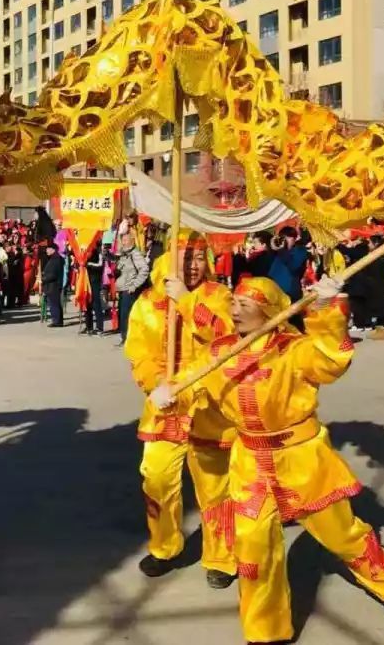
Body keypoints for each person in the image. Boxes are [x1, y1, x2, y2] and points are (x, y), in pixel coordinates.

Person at [165, 276, 384, 644]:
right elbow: (192, 383)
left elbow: (332, 361)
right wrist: (172, 395)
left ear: (269, 311)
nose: (234, 311)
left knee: (341, 535)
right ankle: (266, 632)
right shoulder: (220, 352)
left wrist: (327, 309)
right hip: (249, 460)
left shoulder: (293, 349)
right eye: (233, 303)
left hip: (302, 458)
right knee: (253, 547)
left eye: (245, 306)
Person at [124, 230, 236, 588]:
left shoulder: (219, 296)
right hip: (165, 407)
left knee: (216, 487)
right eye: (185, 257)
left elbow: (227, 337)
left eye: (199, 257)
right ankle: (164, 547)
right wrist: (156, 385)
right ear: (168, 257)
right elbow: (138, 351)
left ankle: (221, 556)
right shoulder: (146, 302)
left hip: (210, 407)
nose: (192, 265)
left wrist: (188, 302)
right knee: (156, 478)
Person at [114, 233, 150, 345]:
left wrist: (134, 285)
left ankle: (128, 339)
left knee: (127, 315)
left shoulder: (135, 254)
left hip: (130, 290)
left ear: (132, 241)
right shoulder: (125, 254)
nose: (123, 243)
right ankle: (125, 337)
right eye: (122, 240)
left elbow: (144, 270)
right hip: (123, 289)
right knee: (122, 315)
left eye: (125, 240)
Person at [268, 227, 307, 303]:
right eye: (283, 238)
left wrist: (282, 250)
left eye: (288, 237)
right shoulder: (278, 252)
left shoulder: (300, 250)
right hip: (275, 292)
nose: (285, 240)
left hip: (290, 294)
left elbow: (293, 266)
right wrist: (272, 248)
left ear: (295, 239)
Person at [41, 242, 65, 327]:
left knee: (54, 303)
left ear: (53, 249)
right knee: (54, 303)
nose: (46, 251)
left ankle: (57, 321)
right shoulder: (53, 258)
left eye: (48, 249)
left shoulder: (56, 259)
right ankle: (58, 320)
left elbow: (53, 274)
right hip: (52, 284)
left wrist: (43, 279)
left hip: (53, 285)